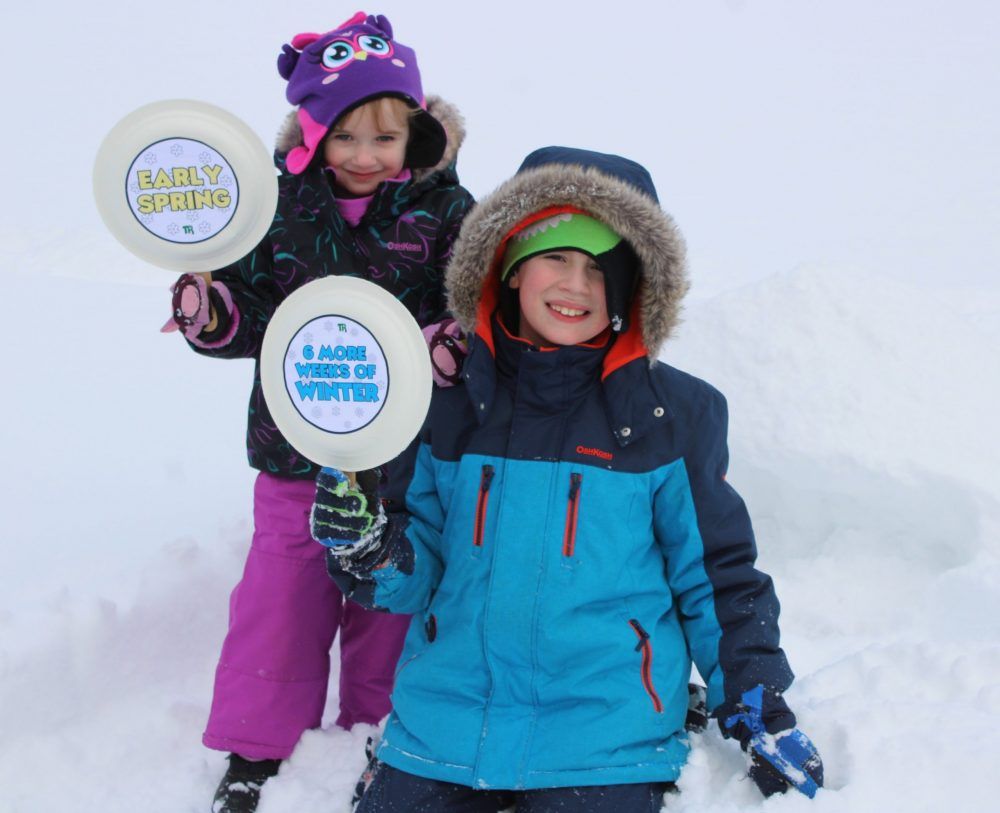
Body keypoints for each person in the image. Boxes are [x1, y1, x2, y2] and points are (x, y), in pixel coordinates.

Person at [311, 147, 824, 811]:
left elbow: (717, 577)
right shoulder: (446, 403)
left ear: (632, 290)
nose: (575, 284)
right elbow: (423, 565)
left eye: (599, 268)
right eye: (556, 255)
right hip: (447, 725)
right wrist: (374, 548)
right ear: (510, 264)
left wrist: (756, 701)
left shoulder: (673, 417)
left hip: (605, 733)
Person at [160, 12, 474, 813]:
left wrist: (447, 344)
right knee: (281, 600)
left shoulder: (446, 212)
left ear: (417, 135)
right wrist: (211, 312)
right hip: (295, 447)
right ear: (312, 134)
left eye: (384, 138)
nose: (365, 157)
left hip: (402, 460)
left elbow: (462, 306)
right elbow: (249, 312)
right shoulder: (275, 206)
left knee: (387, 601)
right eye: (345, 137)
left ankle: (381, 729)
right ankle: (257, 747)